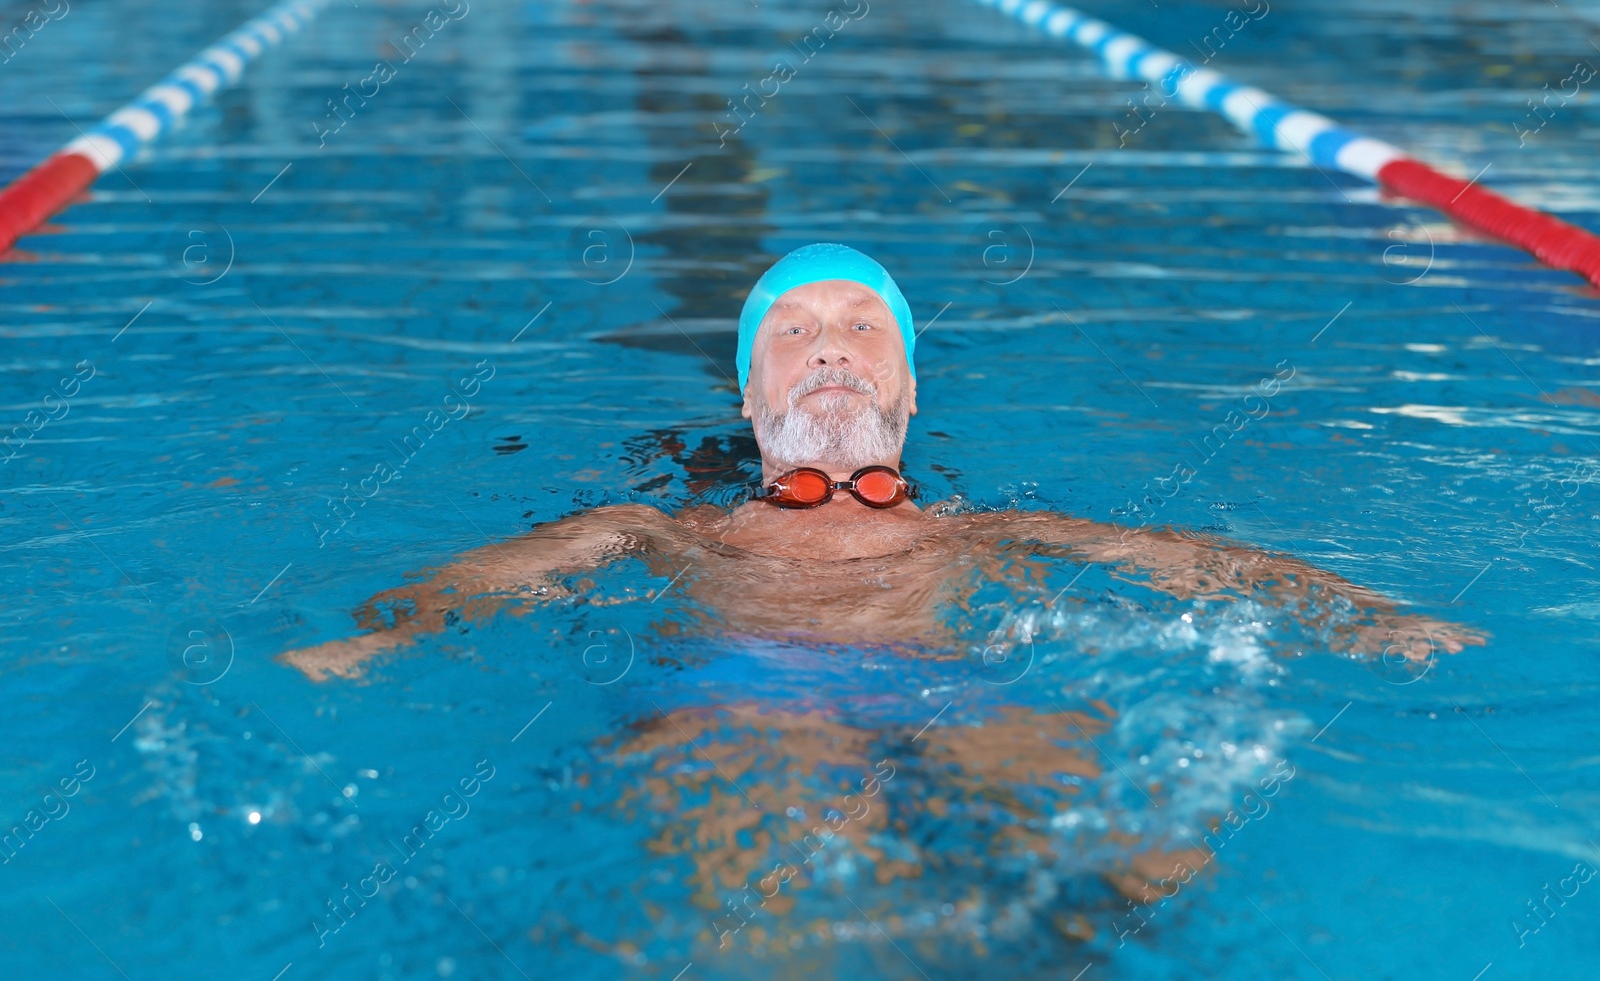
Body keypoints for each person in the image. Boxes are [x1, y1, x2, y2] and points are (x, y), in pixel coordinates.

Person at [279, 242, 1481, 950]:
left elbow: (1185, 564)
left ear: (908, 398)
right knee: (773, 911)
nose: (831, 343)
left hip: (955, 694)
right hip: (737, 700)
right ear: (751, 406)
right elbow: (498, 576)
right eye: (791, 331)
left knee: (1155, 865)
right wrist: (371, 639)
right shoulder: (666, 525)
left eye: (862, 324)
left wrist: (1357, 611)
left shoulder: (988, 528)